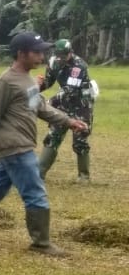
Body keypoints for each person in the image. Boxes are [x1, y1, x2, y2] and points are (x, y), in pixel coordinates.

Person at [0, 32, 88, 255]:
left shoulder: (29, 79)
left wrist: (68, 121)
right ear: (21, 53)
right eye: (37, 51)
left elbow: (40, 107)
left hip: (21, 144)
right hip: (15, 146)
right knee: (35, 192)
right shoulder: (6, 81)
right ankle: (41, 243)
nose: (41, 55)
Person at [37, 38, 94, 182]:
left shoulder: (79, 65)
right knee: (53, 136)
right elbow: (48, 82)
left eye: (64, 55)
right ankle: (39, 174)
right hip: (64, 104)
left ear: (70, 53)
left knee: (80, 138)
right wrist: (34, 88)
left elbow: (70, 90)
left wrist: (48, 102)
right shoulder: (53, 62)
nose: (61, 58)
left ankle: (83, 176)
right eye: (58, 55)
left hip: (82, 105)